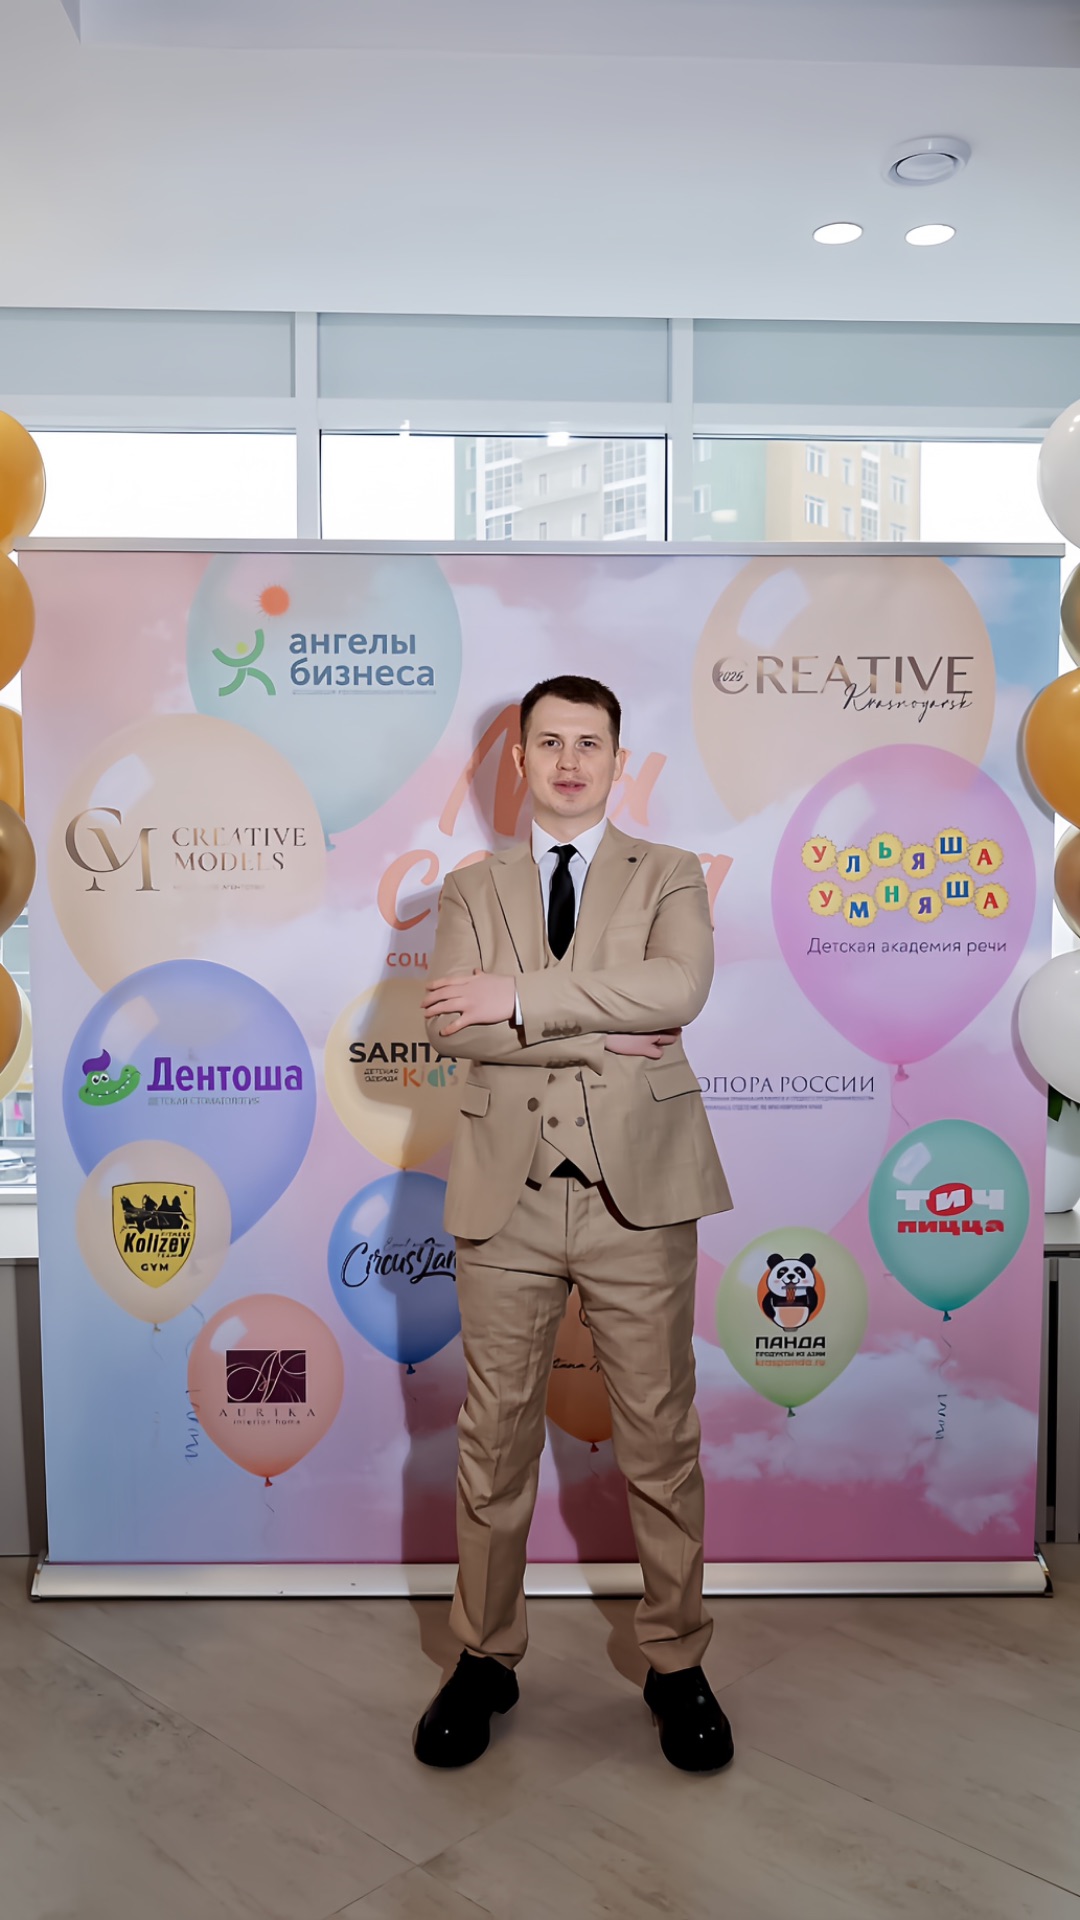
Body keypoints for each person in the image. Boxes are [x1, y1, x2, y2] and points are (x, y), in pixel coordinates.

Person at [416, 674, 733, 1774]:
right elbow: (453, 1026)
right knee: (492, 1439)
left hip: (638, 1195)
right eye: (546, 742)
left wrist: (519, 1000)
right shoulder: (469, 889)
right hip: (504, 1197)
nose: (566, 761)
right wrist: (601, 1029)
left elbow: (677, 990)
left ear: (617, 759)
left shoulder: (670, 872)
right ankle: (483, 1659)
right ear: (517, 759)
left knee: (661, 1436)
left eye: (587, 743)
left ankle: (676, 1661)